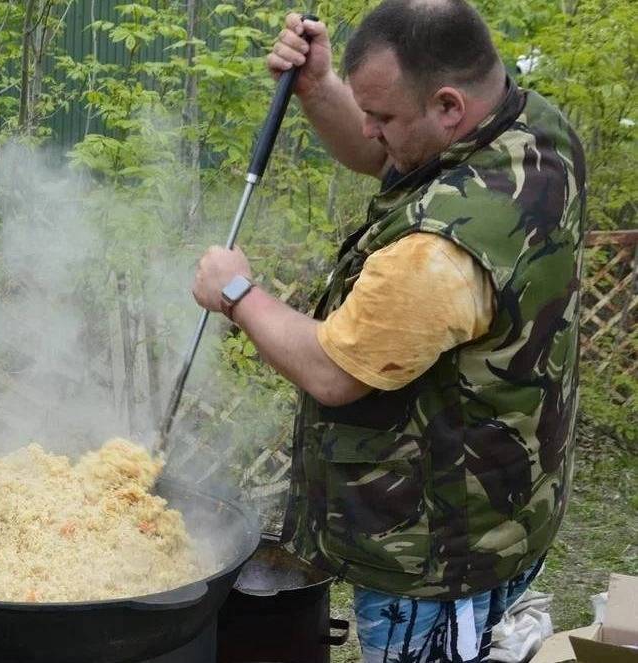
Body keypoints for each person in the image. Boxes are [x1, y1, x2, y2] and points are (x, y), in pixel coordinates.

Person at [190, 1, 586, 660]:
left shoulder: (437, 251)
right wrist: (318, 88)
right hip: (510, 503)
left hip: (435, 552)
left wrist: (236, 294)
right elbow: (389, 161)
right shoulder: (532, 129)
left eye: (381, 117)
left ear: (448, 106)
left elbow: (331, 371)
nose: (368, 131)